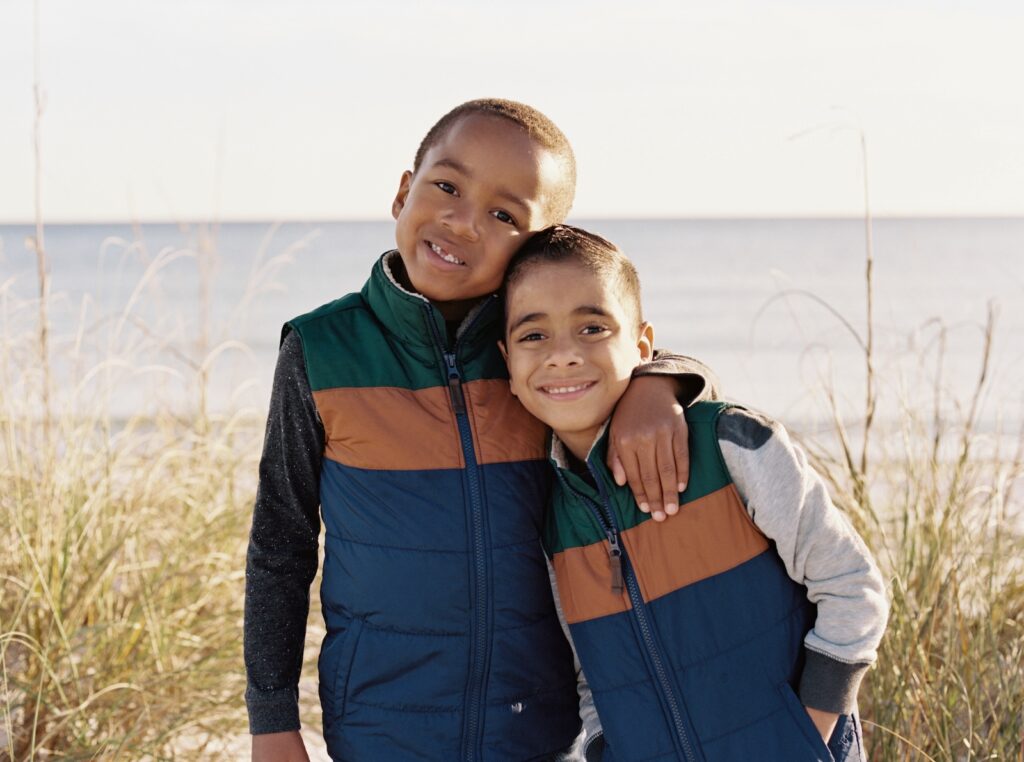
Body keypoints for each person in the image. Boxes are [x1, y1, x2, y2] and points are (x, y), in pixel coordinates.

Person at [245, 100, 718, 761]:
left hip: (538, 729)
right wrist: (272, 724)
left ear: (539, 248)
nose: (463, 222)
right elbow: (279, 544)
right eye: (446, 186)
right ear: (403, 191)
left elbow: (627, 349)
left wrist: (662, 382)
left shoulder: (538, 361)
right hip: (380, 730)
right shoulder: (322, 350)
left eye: (505, 216)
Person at [499, 225, 889, 762]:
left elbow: (852, 587)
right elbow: (590, 681)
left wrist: (804, 733)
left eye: (592, 327)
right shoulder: (550, 522)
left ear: (641, 345)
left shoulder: (728, 444)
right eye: (534, 335)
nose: (563, 354)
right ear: (507, 365)